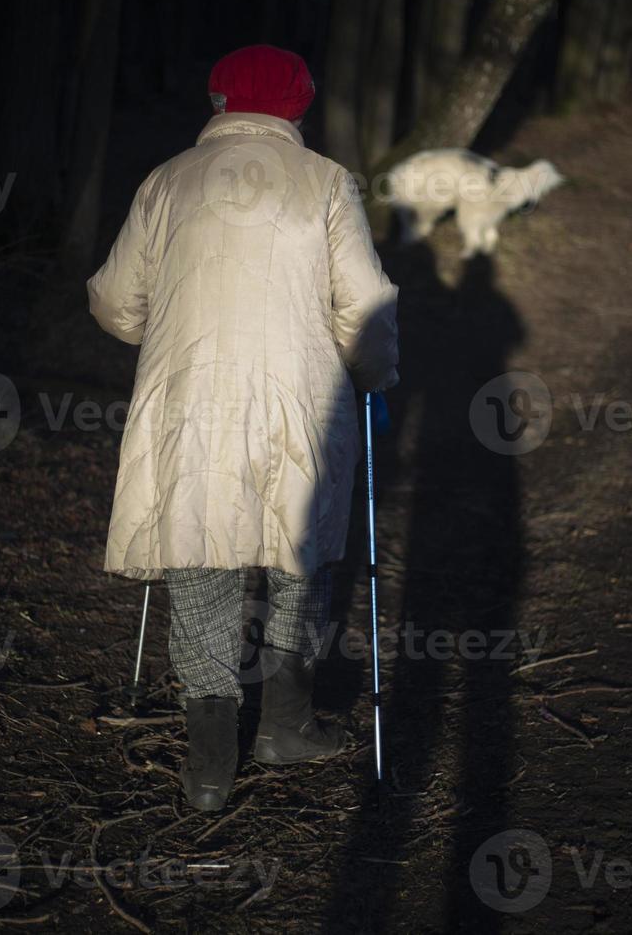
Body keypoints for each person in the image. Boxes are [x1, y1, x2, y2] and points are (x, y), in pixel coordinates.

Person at [87, 44, 399, 812]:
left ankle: (208, 767)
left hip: (190, 397)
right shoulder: (327, 183)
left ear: (219, 101)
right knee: (298, 551)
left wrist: (160, 322)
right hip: (302, 399)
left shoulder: (166, 181)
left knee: (199, 550)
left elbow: (113, 300)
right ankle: (285, 726)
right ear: (299, 107)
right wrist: (374, 380)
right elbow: (364, 305)